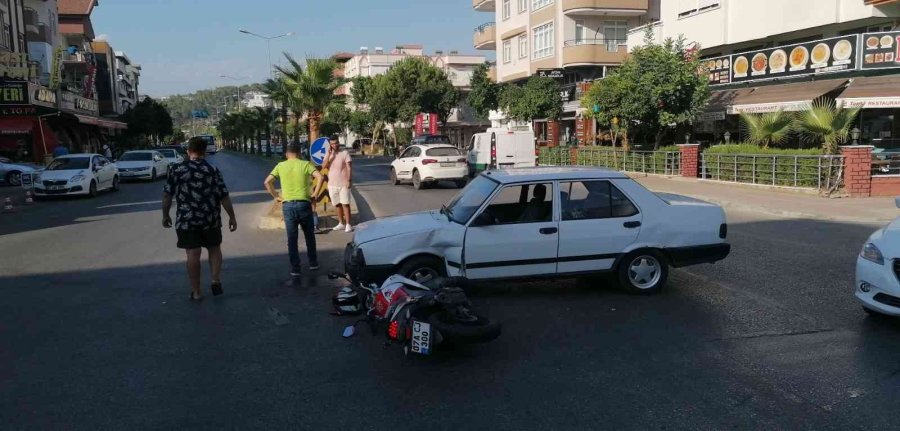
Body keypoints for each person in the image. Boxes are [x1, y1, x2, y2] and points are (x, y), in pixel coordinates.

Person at [162, 137, 237, 302]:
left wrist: (165, 214)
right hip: (210, 218)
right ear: (204, 151)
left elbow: (168, 194)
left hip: (187, 220)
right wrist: (232, 217)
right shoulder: (212, 169)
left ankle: (196, 292)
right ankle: (215, 279)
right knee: (214, 248)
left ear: (188, 151)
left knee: (193, 253)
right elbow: (224, 196)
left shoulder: (177, 169)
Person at [264, 142, 326, 278]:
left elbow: (267, 182)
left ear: (287, 154)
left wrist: (276, 196)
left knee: (292, 238)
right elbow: (320, 177)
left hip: (287, 205)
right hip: (304, 204)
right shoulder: (305, 164)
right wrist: (315, 193)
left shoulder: (280, 166)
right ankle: (313, 262)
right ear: (299, 153)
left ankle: (295, 268)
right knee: (309, 235)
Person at [322, 135, 353, 232]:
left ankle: (348, 224)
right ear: (330, 145)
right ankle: (341, 223)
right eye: (332, 144)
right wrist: (329, 154)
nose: (335, 145)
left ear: (338, 143)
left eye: (336, 143)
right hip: (332, 184)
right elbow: (324, 166)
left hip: (344, 183)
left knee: (345, 204)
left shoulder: (345, 153)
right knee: (337, 204)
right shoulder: (329, 155)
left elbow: (349, 167)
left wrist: (349, 180)